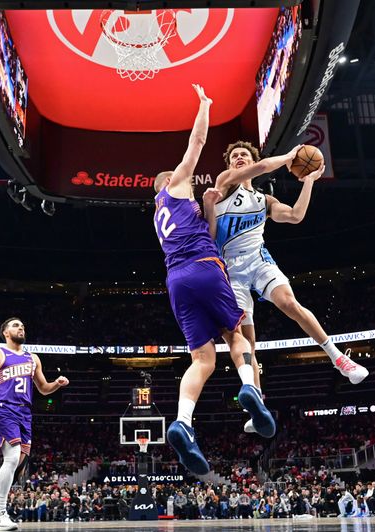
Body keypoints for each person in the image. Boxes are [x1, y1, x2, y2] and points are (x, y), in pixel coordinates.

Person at [152, 84, 275, 474]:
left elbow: (204, 229)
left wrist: (208, 208)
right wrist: (204, 104)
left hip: (176, 280)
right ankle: (249, 387)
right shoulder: (175, 186)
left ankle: (183, 424)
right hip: (206, 267)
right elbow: (198, 141)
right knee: (235, 335)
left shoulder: (158, 215)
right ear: (168, 182)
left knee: (201, 359)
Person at [204, 140, 368, 433]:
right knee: (247, 342)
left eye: (244, 155)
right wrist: (290, 156)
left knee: (290, 303)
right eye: (235, 156)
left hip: (258, 261)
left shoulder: (265, 201)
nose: (239, 158)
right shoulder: (224, 185)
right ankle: (258, 408)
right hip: (230, 271)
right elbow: (265, 166)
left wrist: (309, 182)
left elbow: (295, 216)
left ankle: (339, 359)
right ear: (230, 164)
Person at [0, 317, 69, 531]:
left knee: (17, 468)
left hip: (25, 413)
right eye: (15, 325)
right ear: (5, 332)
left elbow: (43, 389)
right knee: (11, 458)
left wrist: (56, 384)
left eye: (22, 325)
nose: (21, 327)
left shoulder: (33, 358)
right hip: (4, 408)